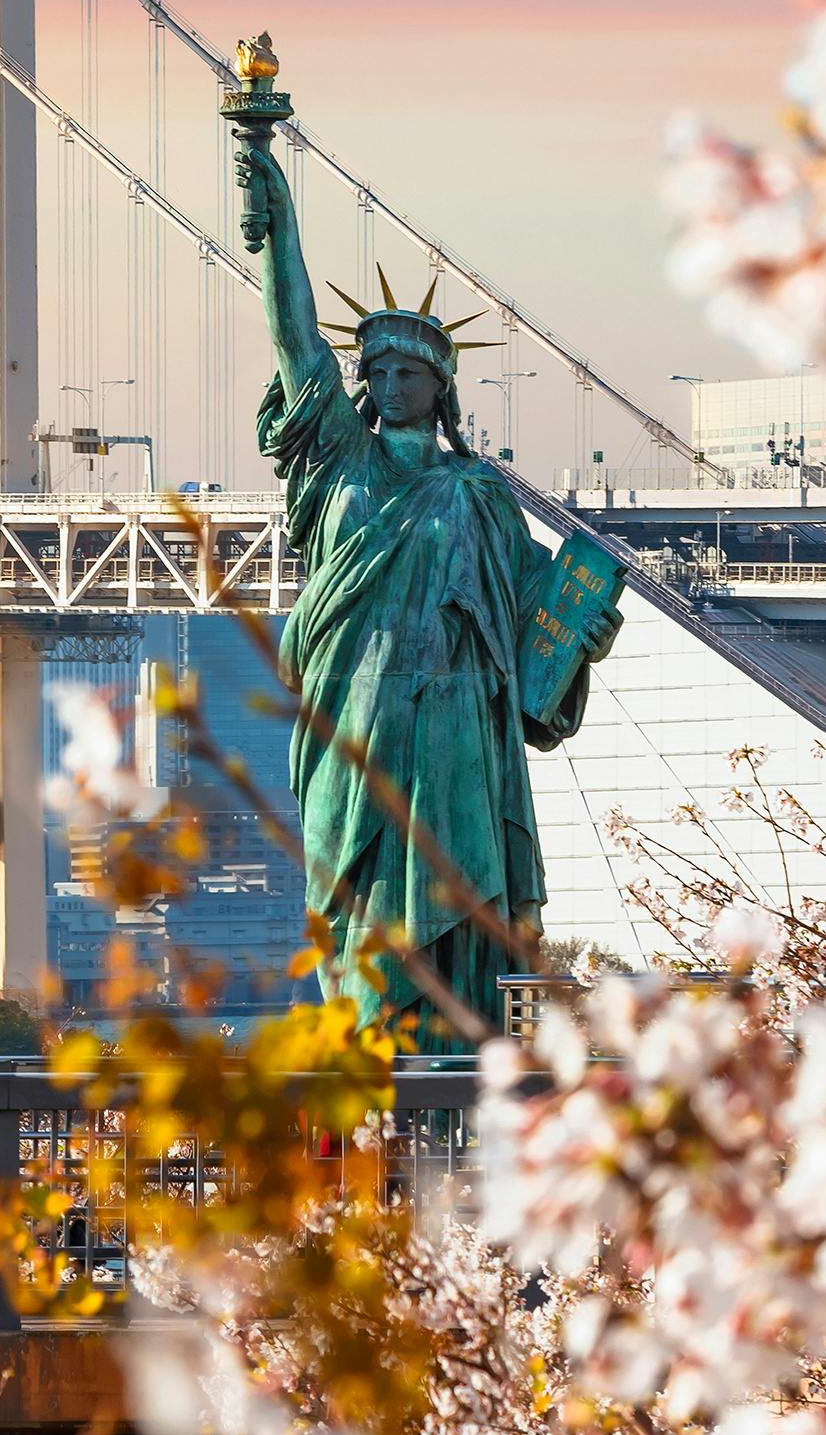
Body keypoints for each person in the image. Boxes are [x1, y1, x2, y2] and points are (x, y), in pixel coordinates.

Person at [232, 121, 619, 1039]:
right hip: (357, 721)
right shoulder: (336, 460)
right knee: (358, 911)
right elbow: (296, 343)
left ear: (441, 385)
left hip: (459, 729)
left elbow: (538, 620)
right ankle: (376, 1100)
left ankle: (453, 1086)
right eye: (375, 369)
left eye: (408, 369)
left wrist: (585, 640)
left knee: (464, 924)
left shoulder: (480, 495)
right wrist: (280, 227)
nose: (389, 381)